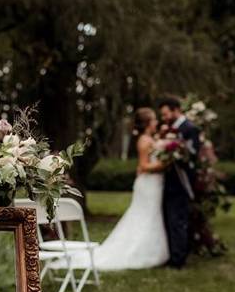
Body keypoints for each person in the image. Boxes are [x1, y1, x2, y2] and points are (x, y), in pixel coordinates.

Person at [80, 107, 169, 271]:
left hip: (154, 183)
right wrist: (164, 164)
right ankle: (141, 252)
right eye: (154, 119)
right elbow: (143, 166)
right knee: (145, 216)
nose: (157, 122)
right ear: (148, 123)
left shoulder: (151, 138)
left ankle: (151, 250)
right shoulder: (144, 141)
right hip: (149, 184)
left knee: (151, 215)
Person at [158, 96, 201, 268]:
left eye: (166, 114)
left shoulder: (190, 129)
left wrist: (175, 154)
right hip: (168, 182)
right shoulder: (169, 129)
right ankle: (172, 254)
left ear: (176, 110)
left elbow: (192, 156)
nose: (164, 118)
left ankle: (178, 259)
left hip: (181, 182)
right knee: (170, 219)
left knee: (178, 220)